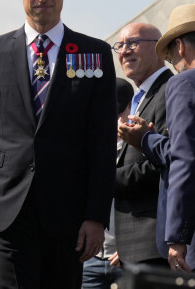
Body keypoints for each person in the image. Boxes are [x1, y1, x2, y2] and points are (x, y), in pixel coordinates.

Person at [0, 0, 117, 289]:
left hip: (69, 218)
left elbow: (101, 143)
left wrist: (96, 216)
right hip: (6, 213)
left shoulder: (94, 54)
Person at [119, 4, 195, 273]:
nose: (172, 65)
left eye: (169, 57)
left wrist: (178, 236)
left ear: (179, 47)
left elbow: (185, 158)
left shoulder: (185, 83)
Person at [112, 23, 172, 268]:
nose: (124, 51)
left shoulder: (170, 91)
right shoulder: (140, 98)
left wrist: (103, 179)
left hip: (155, 244)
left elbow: (169, 162)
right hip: (134, 249)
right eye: (120, 45)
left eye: (133, 43)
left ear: (159, 49)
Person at [81, 77, 133, 288]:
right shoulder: (84, 151)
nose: (113, 120)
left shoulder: (139, 150)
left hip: (126, 259)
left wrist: (131, 248)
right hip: (89, 260)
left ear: (132, 106)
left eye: (118, 113)